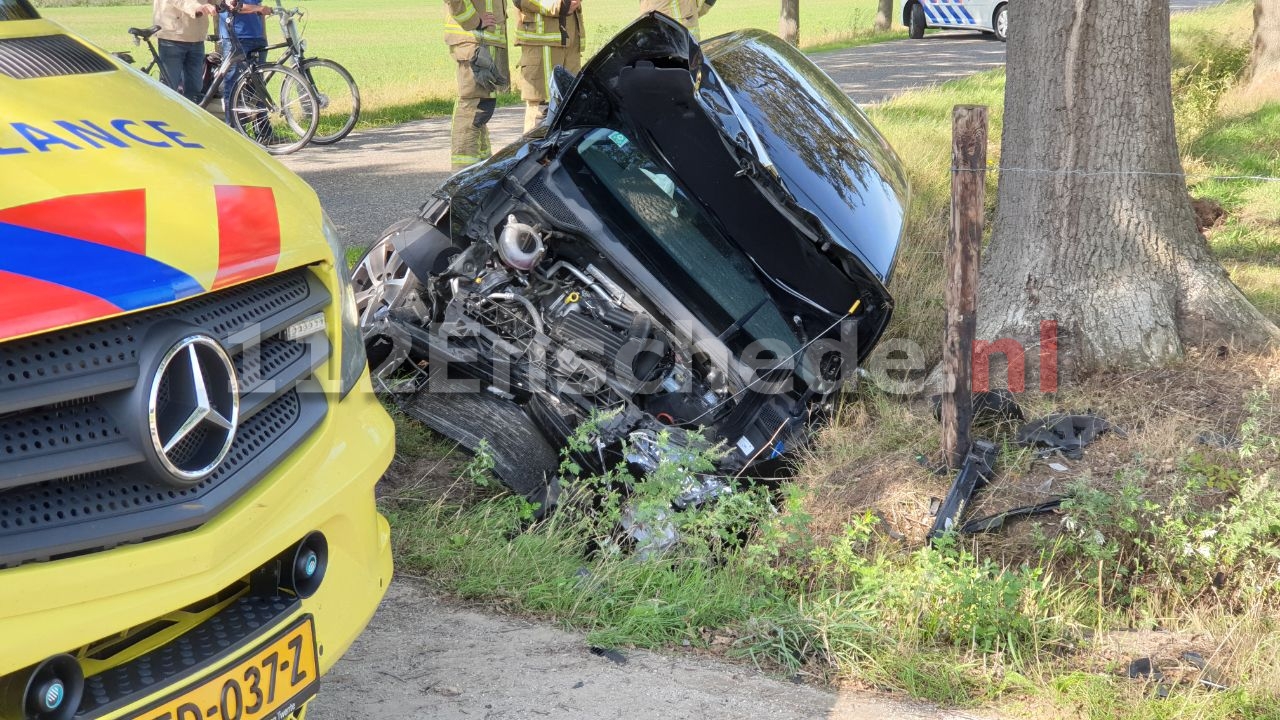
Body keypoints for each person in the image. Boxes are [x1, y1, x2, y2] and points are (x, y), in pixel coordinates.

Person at [445, 0, 509, 171]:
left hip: (483, 42)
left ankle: (480, 174)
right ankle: (462, 176)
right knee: (471, 111)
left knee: (481, 110)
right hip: (473, 42)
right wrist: (475, 20)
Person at [513, 0, 582, 133]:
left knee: (571, 104)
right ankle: (533, 151)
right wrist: (560, 5)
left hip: (569, 43)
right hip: (541, 46)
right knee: (540, 108)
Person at [218, 0, 273, 122]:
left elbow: (259, 7)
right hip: (236, 36)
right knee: (233, 85)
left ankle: (264, 132)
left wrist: (263, 37)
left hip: (256, 37)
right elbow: (231, 5)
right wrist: (258, 9)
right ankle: (232, 128)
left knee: (258, 85)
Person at [152, 0, 218, 101]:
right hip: (173, 37)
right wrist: (196, 7)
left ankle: (190, 115)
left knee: (195, 91)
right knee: (168, 90)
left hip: (197, 37)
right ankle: (166, 115)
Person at [638, 0, 715, 40]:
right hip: (683, 35)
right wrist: (691, 13)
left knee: (652, 67)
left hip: (650, 28)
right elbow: (705, 3)